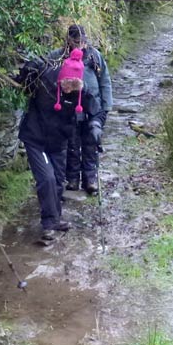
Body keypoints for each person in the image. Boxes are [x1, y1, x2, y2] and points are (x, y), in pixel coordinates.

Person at [15, 48, 85, 241]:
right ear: (61, 78)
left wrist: (94, 129)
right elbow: (27, 78)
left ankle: (56, 218)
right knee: (47, 178)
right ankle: (48, 223)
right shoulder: (45, 81)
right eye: (67, 84)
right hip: (35, 138)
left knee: (58, 180)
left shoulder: (79, 94)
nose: (69, 89)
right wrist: (28, 70)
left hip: (59, 141)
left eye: (74, 86)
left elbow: (90, 113)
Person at [48, 25, 113, 195]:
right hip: (69, 108)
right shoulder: (58, 56)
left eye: (82, 41)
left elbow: (105, 81)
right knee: (72, 143)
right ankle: (72, 178)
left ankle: (90, 179)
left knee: (91, 142)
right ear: (68, 40)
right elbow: (48, 77)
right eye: (76, 41)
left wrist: (106, 107)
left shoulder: (95, 56)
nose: (80, 45)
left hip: (93, 106)